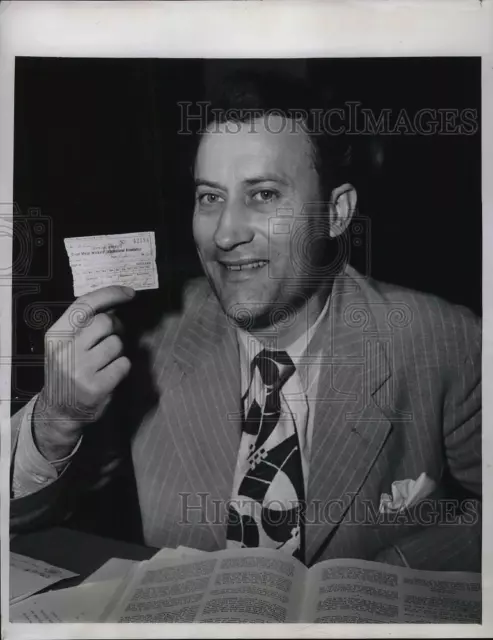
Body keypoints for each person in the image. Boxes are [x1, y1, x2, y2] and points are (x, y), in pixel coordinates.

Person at [10, 70, 481, 571]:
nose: (226, 234)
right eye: (210, 198)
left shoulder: (441, 340)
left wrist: (400, 569)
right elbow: (25, 522)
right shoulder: (150, 335)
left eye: (263, 195)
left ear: (336, 213)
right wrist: (56, 421)